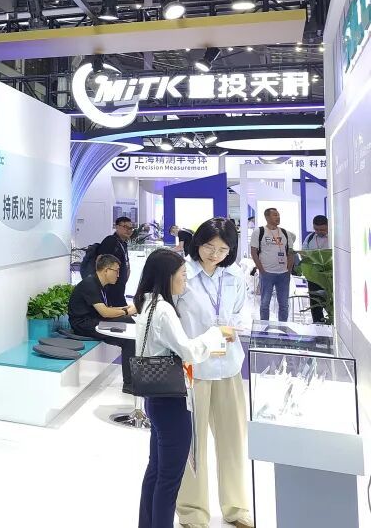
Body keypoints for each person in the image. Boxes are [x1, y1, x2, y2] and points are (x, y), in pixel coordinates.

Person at [134, 249, 235, 528]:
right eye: (182, 275)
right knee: (169, 479)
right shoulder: (164, 310)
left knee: (156, 471)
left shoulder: (148, 304)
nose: (185, 281)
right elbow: (188, 351)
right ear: (168, 276)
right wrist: (216, 333)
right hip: (171, 401)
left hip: (156, 398)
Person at [176, 218, 253, 528]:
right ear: (198, 243)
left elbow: (243, 310)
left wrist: (235, 325)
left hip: (229, 366)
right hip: (193, 368)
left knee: (233, 440)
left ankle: (236, 507)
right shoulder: (181, 273)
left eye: (223, 249)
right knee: (193, 444)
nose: (215, 254)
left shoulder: (234, 275)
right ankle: (193, 511)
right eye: (209, 247)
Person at [69, 253, 138, 393]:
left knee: (130, 327)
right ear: (106, 270)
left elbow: (106, 309)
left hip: (93, 319)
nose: (118, 275)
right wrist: (126, 311)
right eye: (116, 271)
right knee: (129, 334)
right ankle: (129, 383)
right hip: (83, 325)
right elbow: (105, 312)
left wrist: (125, 309)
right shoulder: (90, 284)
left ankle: (132, 379)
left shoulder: (99, 284)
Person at [250, 207, 296, 322]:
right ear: (267, 217)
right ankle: (264, 327)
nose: (278, 217)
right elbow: (253, 252)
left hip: (283, 274)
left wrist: (289, 270)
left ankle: (283, 327)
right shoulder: (259, 232)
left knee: (284, 304)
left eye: (278, 215)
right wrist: (261, 270)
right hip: (267, 273)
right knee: (265, 303)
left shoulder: (285, 233)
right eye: (275, 215)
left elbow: (291, 252)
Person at [98, 216, 135, 304]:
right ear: (117, 227)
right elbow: (100, 261)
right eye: (125, 227)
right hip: (110, 286)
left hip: (119, 285)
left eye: (130, 228)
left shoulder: (123, 243)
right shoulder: (110, 241)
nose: (128, 230)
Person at [302, 214, 329, 323]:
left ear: (328, 226)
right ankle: (318, 324)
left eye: (322, 229)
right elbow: (303, 253)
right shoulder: (310, 238)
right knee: (315, 303)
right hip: (314, 277)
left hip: (330, 277)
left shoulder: (334, 238)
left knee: (330, 302)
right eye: (316, 229)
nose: (319, 232)